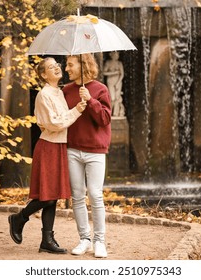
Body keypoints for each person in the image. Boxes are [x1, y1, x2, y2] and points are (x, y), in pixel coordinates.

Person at [8, 57, 87, 254]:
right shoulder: (44, 95)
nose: (57, 68)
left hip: (59, 145)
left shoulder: (59, 92)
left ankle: (46, 240)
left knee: (52, 198)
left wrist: (80, 103)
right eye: (51, 67)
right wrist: (76, 111)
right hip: (49, 146)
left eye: (57, 65)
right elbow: (54, 124)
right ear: (44, 75)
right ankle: (19, 218)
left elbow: (59, 120)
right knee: (48, 195)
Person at [62, 53, 112, 258]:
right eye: (66, 65)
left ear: (83, 66)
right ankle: (85, 239)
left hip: (95, 151)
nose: (66, 69)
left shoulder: (101, 89)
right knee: (77, 196)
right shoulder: (66, 90)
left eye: (70, 65)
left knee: (95, 194)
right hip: (72, 149)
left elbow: (105, 119)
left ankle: (100, 241)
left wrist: (90, 100)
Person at [102, 51, 125, 117]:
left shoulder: (119, 63)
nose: (117, 55)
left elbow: (122, 74)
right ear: (111, 55)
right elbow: (104, 73)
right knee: (112, 98)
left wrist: (118, 83)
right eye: (116, 54)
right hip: (110, 81)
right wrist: (114, 72)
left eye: (118, 54)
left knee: (117, 98)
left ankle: (116, 113)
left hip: (118, 81)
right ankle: (110, 112)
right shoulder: (108, 63)